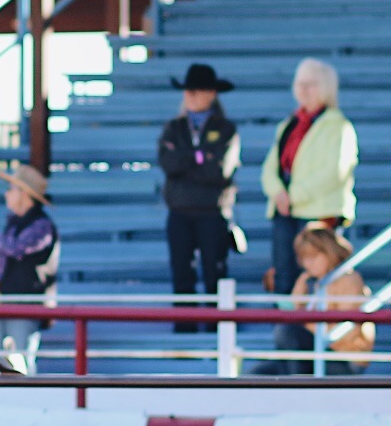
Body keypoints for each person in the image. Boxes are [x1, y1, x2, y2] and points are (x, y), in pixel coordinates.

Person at [259, 58, 358, 295]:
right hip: (285, 211)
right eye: (300, 83)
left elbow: (335, 171)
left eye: (311, 84)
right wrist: (278, 193)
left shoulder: (338, 127)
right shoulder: (288, 125)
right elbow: (270, 168)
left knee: (320, 277)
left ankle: (318, 330)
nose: (303, 89)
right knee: (284, 275)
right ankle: (285, 330)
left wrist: (292, 196)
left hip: (318, 212)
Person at [158, 62, 241, 331]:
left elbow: (218, 170)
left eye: (197, 90)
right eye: (188, 91)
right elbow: (168, 162)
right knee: (182, 271)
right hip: (180, 210)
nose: (190, 96)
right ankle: (185, 329)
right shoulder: (173, 128)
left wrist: (188, 162)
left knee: (213, 270)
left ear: (212, 94)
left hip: (212, 211)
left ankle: (219, 329)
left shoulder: (226, 129)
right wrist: (200, 157)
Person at [251, 227, 373, 375]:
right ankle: (295, 384)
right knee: (258, 373)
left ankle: (297, 387)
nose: (308, 264)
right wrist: (300, 287)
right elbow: (296, 314)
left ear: (329, 252)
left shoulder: (349, 279)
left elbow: (343, 332)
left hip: (343, 359)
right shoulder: (318, 282)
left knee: (287, 332)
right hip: (319, 353)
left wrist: (304, 323)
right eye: (304, 258)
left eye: (313, 256)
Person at [0, 164, 58, 373]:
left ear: (24, 194)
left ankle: (23, 399)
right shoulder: (13, 225)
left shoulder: (41, 225)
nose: (7, 194)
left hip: (24, 305)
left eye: (11, 189)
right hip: (2, 303)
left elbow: (16, 249)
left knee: (19, 362)